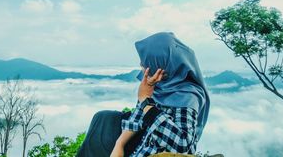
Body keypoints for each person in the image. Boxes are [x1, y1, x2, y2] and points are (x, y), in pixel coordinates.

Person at [76, 31, 210, 157]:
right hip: (146, 135)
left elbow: (182, 146)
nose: (141, 63)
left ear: (162, 64)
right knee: (102, 118)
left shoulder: (187, 95)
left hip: (159, 149)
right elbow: (138, 115)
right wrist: (119, 144)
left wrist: (146, 101)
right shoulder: (159, 81)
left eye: (146, 61)